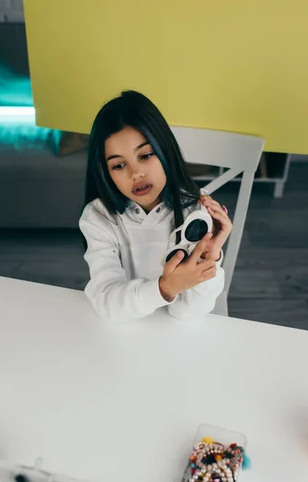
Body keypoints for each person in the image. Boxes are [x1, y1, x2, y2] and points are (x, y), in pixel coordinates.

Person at [79, 90, 233, 323]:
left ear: (164, 150)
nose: (136, 173)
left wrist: (209, 259)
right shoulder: (99, 217)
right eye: (119, 165)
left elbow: (188, 313)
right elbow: (107, 302)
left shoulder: (196, 209)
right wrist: (165, 288)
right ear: (105, 173)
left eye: (145, 155)